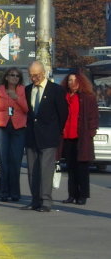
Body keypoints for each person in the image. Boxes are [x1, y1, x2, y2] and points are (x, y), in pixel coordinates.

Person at [21, 61, 68, 212]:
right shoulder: (27, 90)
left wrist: (56, 131)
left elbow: (63, 113)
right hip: (31, 136)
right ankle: (35, 200)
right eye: (31, 75)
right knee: (32, 171)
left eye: (36, 75)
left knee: (45, 170)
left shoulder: (56, 90)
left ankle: (46, 201)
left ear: (43, 73)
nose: (33, 78)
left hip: (48, 137)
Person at [0, 67, 28, 202]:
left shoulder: (23, 90)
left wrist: (17, 98)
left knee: (15, 162)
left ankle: (15, 193)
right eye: (12, 75)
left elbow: (27, 109)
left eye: (17, 76)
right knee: (3, 162)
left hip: (18, 128)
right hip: (1, 128)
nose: (14, 77)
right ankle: (3, 193)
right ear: (6, 77)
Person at [58, 70, 99, 206]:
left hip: (82, 138)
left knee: (82, 169)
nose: (72, 83)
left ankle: (83, 196)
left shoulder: (87, 97)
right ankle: (72, 195)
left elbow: (93, 117)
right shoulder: (65, 96)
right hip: (68, 137)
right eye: (70, 80)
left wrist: (90, 133)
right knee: (71, 168)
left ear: (80, 82)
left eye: (75, 80)